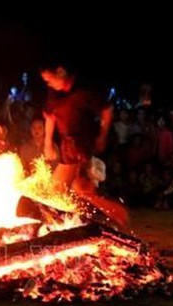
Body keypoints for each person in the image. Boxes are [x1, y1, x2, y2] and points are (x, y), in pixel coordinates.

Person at [40, 61, 129, 228]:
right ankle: (65, 226)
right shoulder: (54, 93)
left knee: (82, 190)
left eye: (49, 78)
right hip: (67, 145)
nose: (48, 83)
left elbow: (107, 110)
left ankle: (115, 218)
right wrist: (47, 143)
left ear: (60, 71)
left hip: (82, 145)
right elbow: (50, 116)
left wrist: (102, 136)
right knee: (56, 191)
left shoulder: (84, 90)